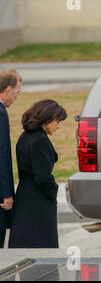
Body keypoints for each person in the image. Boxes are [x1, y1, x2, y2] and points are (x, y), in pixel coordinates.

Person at [8, 99, 66, 248]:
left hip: (25, 195)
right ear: (47, 120)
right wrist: (53, 189)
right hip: (38, 200)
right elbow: (42, 176)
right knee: (42, 244)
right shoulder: (39, 140)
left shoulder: (26, 136)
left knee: (27, 242)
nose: (58, 126)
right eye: (57, 121)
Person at [0, 70, 21, 248]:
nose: (16, 97)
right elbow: (2, 154)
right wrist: (6, 193)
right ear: (8, 89)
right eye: (16, 92)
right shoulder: (1, 113)